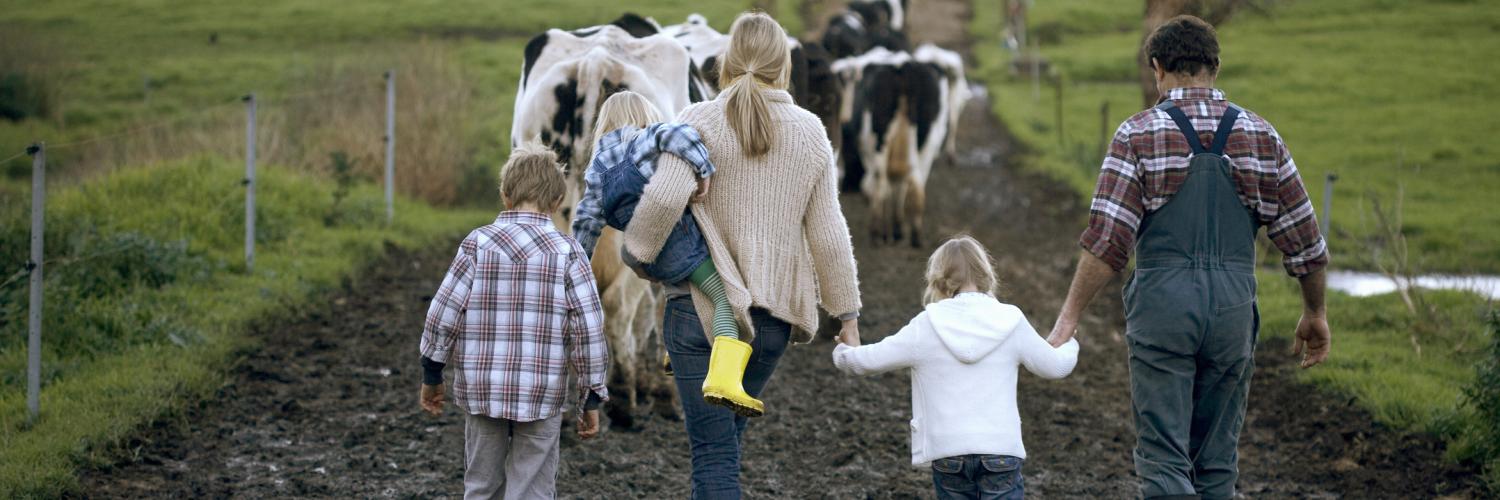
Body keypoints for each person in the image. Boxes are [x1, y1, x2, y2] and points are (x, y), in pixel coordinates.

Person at [1044, 15, 1331, 500]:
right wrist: (1315, 312)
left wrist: (1067, 319)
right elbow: (1306, 242)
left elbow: (1107, 243)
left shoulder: (1136, 135)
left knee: (1164, 461)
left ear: (1158, 68)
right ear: (1215, 68)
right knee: (1217, 465)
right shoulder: (1263, 136)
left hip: (1163, 311)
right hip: (1233, 314)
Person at [620, 11, 863, 499]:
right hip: (771, 322)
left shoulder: (696, 120)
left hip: (697, 314)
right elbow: (829, 232)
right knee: (724, 445)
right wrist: (848, 315)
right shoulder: (810, 131)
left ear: (726, 60)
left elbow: (665, 199)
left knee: (713, 456)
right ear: (785, 66)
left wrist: (638, 253)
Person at [417, 143, 610, 499]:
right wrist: (591, 395)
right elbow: (589, 330)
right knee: (533, 488)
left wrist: (433, 373)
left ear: (505, 196)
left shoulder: (477, 244)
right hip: (542, 394)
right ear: (556, 203)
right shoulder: (569, 253)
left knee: (480, 485)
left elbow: (443, 312)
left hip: (482, 390)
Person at [832, 236, 1078, 500]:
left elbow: (865, 362)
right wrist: (1070, 342)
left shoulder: (926, 324)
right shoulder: (1011, 320)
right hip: (1001, 453)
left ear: (940, 277)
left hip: (949, 455)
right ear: (985, 272)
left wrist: (845, 351)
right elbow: (1055, 367)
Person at [571, 90, 762, 417]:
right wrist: (704, 172)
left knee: (682, 292)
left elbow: (586, 220)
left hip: (643, 254)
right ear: (643, 115)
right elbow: (680, 134)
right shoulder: (643, 137)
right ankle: (725, 380)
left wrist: (574, 265)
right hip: (678, 240)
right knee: (723, 297)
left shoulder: (597, 166)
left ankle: (677, 352)